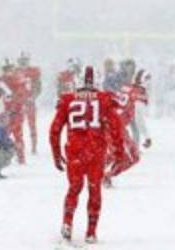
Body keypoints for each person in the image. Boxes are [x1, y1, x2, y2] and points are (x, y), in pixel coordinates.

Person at [50, 66, 124, 245]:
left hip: (75, 150)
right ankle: (91, 231)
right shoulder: (104, 99)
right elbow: (116, 127)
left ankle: (67, 223)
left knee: (74, 188)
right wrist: (118, 152)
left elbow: (55, 130)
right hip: (95, 151)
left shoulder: (68, 100)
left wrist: (56, 153)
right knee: (94, 190)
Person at [106, 69, 150, 183]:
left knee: (115, 155)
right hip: (116, 127)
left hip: (108, 123)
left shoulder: (125, 87)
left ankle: (96, 171)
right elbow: (139, 119)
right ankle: (105, 176)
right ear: (144, 81)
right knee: (133, 157)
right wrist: (147, 136)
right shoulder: (139, 94)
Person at [0, 60, 31, 165]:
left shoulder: (18, 80)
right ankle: (3, 157)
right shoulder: (1, 81)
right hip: (5, 113)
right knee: (3, 135)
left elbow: (24, 95)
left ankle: (21, 158)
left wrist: (14, 102)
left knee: (17, 135)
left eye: (9, 69)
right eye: (5, 69)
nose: (7, 72)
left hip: (16, 112)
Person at [18, 52, 43, 155]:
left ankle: (33, 147)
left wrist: (33, 97)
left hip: (29, 102)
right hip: (18, 103)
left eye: (25, 60)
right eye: (22, 60)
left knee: (32, 125)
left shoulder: (33, 72)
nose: (23, 62)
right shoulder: (16, 71)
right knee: (17, 125)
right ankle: (19, 146)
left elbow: (38, 87)